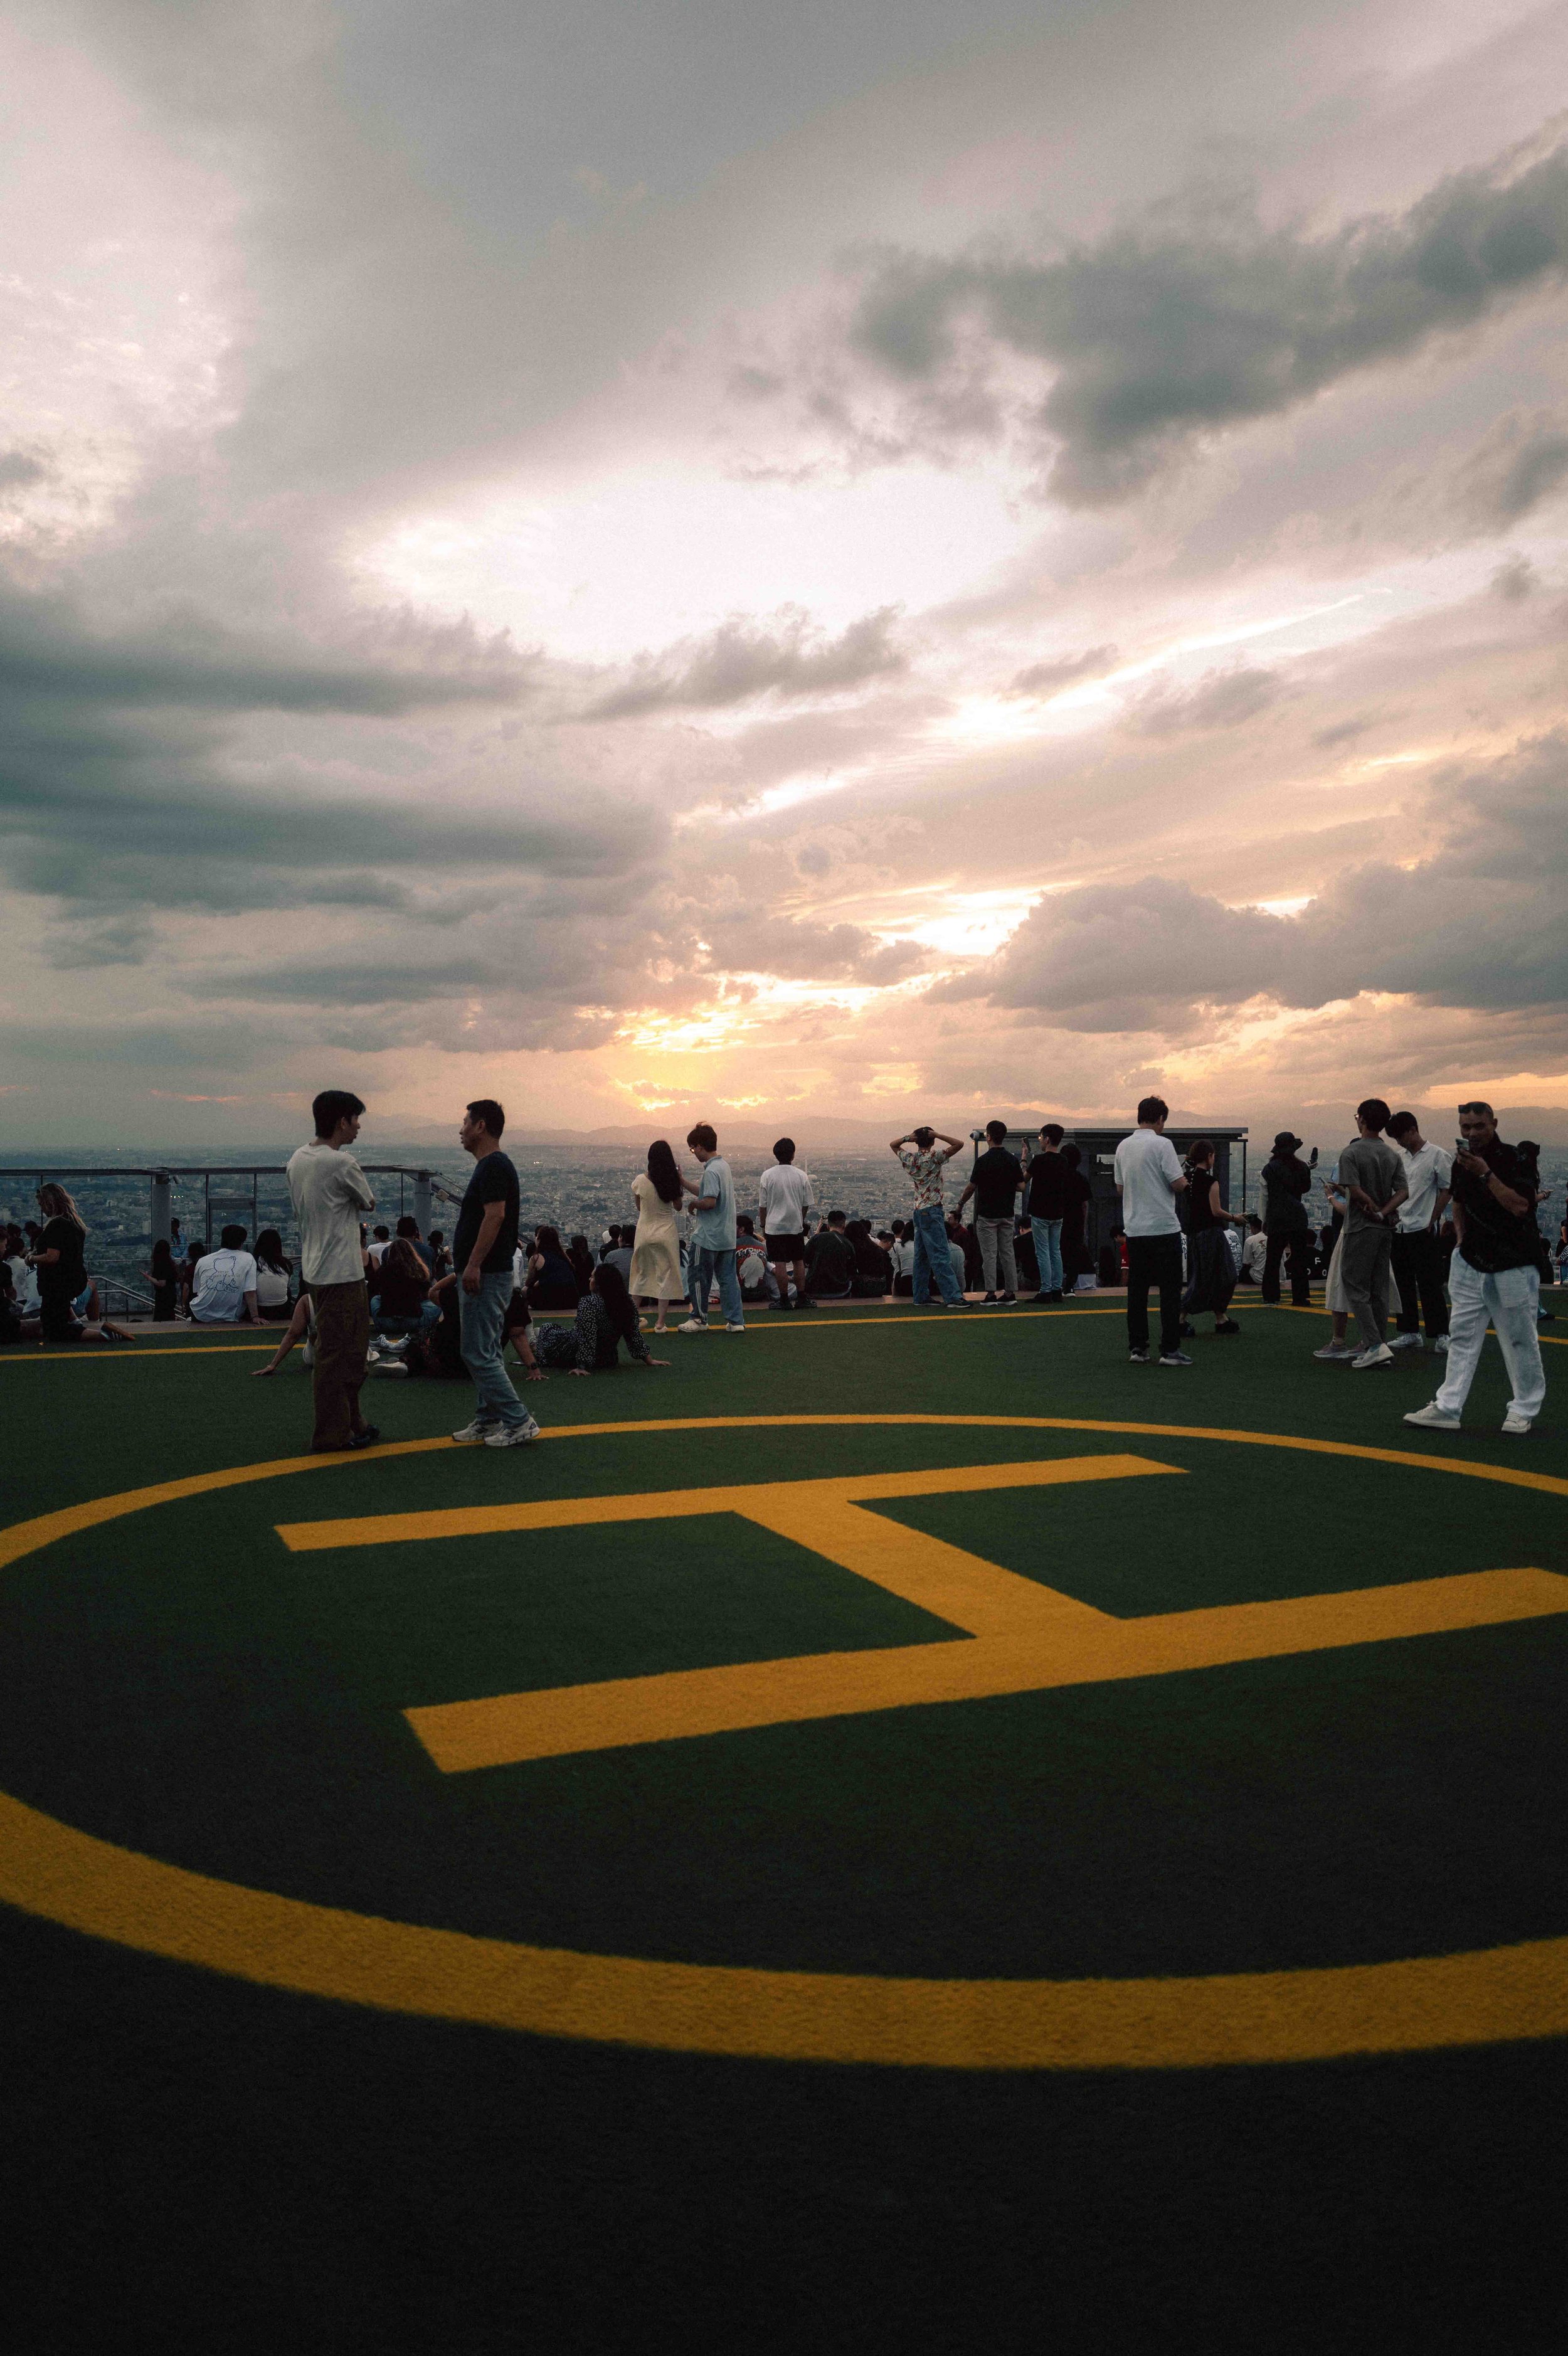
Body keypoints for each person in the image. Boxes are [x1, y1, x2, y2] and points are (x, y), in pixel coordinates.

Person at [1406, 1102, 1546, 1436]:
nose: (1472, 1133)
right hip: (1470, 1261)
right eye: (1466, 1127)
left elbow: (1521, 1206)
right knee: (1462, 1336)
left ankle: (1523, 1409)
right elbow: (1458, 1200)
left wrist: (1485, 1173)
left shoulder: (1515, 1158)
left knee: (1519, 1338)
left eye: (1479, 1126)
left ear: (1494, 1123)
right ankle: (1448, 1406)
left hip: (1513, 1263)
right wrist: (1460, 1239)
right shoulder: (1461, 1160)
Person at [285, 1090, 380, 1453]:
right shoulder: (341, 1163)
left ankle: (354, 1422)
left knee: (341, 1351)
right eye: (356, 1120)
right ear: (342, 1122)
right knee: (342, 1356)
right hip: (342, 1271)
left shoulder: (297, 1159)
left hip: (314, 1269)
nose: (358, 1127)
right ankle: (331, 1434)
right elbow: (369, 1202)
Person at [448, 1098, 540, 1446]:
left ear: (481, 1126)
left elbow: (495, 1215)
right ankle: (488, 1419)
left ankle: (519, 1421)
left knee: (477, 1352)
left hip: (486, 1274)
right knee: (486, 1349)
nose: (461, 1130)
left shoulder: (493, 1166)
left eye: (465, 1122)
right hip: (491, 1272)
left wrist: (473, 1264)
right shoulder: (492, 1166)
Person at [1113, 1095, 1190, 1366]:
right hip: (1163, 1228)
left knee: (1137, 1292)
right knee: (1169, 1292)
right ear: (1160, 1119)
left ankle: (1138, 1348)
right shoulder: (1163, 1144)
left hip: (1135, 1229)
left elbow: (1120, 1189)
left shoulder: (1123, 1147)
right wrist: (1186, 1180)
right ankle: (1170, 1350)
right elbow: (1177, 1184)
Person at [1336, 1099, 1407, 1371]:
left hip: (1360, 1227)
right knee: (1379, 1289)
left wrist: (1373, 1209)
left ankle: (1375, 1345)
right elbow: (1403, 1191)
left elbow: (1354, 1189)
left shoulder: (1351, 1153)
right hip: (1384, 1229)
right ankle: (1378, 1345)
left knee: (1355, 1285)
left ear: (1363, 1120)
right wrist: (1384, 1211)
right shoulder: (1392, 1154)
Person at [28, 1184, 133, 1345]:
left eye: (41, 1204)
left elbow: (52, 1257)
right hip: (72, 1279)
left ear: (50, 1202)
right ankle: (79, 1324)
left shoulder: (57, 1224)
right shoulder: (74, 1223)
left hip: (57, 1283)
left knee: (55, 1330)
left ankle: (104, 1335)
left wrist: (31, 1259)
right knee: (53, 1319)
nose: (41, 1209)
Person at [1385, 1112, 1451, 1356]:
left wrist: (1432, 1219)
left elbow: (1447, 1190)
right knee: (1403, 1283)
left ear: (1413, 1130)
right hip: (1400, 1227)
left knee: (1430, 1284)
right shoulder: (1399, 1158)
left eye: (1400, 1136)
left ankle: (1442, 1334)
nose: (1399, 1142)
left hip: (1423, 1228)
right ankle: (1410, 1332)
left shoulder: (1437, 1156)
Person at [532, 1262, 670, 1374]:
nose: (589, 1279)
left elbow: (588, 1336)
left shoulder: (589, 1303)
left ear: (599, 1284)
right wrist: (649, 1360)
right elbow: (633, 1335)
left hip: (571, 1352)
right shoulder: (626, 1304)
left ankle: (535, 1339)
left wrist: (582, 1365)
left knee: (547, 1328)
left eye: (592, 1277)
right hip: (607, 1359)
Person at [890, 1126, 967, 1308]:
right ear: (932, 1141)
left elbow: (893, 1145)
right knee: (940, 1255)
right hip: (932, 1210)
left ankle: (921, 1296)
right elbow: (959, 1144)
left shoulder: (911, 1158)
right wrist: (938, 1135)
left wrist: (908, 1138)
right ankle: (952, 1297)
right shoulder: (935, 1157)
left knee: (921, 1258)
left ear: (916, 1141)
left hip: (918, 1211)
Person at [679, 1123, 744, 1333]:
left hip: (708, 1236)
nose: (694, 1153)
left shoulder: (711, 1171)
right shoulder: (723, 1167)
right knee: (728, 1280)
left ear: (700, 1146)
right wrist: (683, 1182)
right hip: (727, 1235)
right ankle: (736, 1321)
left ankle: (699, 1318)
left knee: (698, 1277)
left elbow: (709, 1201)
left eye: (693, 1149)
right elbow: (706, 1191)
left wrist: (693, 1205)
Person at [1179, 1140, 1244, 1336]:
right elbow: (1216, 1211)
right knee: (1225, 1275)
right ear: (1209, 1156)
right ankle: (1181, 1316)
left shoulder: (1186, 1179)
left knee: (1203, 1276)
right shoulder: (1211, 1181)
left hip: (1194, 1235)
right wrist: (1235, 1218)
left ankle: (1219, 1317)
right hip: (1211, 1234)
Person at [957, 1120, 1024, 1303]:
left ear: (988, 1137)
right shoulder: (1012, 1160)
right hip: (1007, 1214)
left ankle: (991, 1293)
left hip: (987, 1215)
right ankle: (1010, 1293)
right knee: (1007, 1254)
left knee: (989, 1255)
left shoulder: (983, 1161)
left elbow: (971, 1187)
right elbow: (1021, 1186)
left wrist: (961, 1204)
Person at [629, 1141, 686, 1332]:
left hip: (644, 1232)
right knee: (666, 1276)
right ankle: (660, 1323)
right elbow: (678, 1207)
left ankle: (632, 1319)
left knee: (641, 1275)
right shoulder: (672, 1181)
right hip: (666, 1232)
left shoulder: (640, 1180)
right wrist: (679, 1180)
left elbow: (640, 1207)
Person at [758, 1137, 815, 1313]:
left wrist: (763, 1225)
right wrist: (800, 1218)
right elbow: (806, 1203)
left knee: (780, 1262)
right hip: (795, 1225)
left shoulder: (767, 1175)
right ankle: (802, 1297)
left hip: (774, 1227)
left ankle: (784, 1300)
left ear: (776, 1155)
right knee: (798, 1261)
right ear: (793, 1155)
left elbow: (763, 1206)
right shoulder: (801, 1175)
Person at [1260, 1132, 1315, 1306]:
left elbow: (1265, 1196)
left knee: (1273, 1258)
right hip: (1297, 1216)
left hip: (1276, 1217)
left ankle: (1271, 1296)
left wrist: (1264, 1220)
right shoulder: (1302, 1167)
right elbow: (1306, 1188)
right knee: (1299, 1257)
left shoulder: (1269, 1169)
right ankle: (1300, 1297)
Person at [1021, 1123, 1068, 1302]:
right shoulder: (1064, 1161)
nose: (1040, 1141)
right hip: (1058, 1213)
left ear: (1047, 1139)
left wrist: (1024, 1159)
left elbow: (1023, 1180)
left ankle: (1046, 1290)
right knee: (1055, 1251)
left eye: (1041, 1138)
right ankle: (1057, 1289)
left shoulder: (1039, 1161)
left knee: (1042, 1252)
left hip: (1041, 1212)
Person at [189, 1224, 261, 1325]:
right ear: (242, 1242)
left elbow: (197, 1291)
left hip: (200, 1313)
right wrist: (255, 1316)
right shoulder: (248, 1258)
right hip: (232, 1315)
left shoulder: (203, 1261)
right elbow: (250, 1291)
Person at [1057, 1145, 1093, 1292]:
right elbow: (1085, 1205)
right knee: (1074, 1253)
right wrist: (1084, 1225)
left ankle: (1056, 1283)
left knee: (1057, 1251)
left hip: (1058, 1219)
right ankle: (1070, 1286)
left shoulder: (1057, 1178)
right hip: (1076, 1220)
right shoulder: (1081, 1179)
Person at [526, 1224, 581, 1311]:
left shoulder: (536, 1259)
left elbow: (529, 1282)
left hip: (547, 1301)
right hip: (570, 1300)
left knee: (525, 1290)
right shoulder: (564, 1257)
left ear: (540, 1240)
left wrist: (539, 1283)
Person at [805, 1211, 856, 1299]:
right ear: (844, 1225)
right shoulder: (848, 1243)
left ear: (828, 1226)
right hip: (841, 1290)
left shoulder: (817, 1238)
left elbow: (805, 1260)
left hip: (814, 1289)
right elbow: (852, 1270)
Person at [251, 1228, 294, 1319]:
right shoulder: (286, 1264)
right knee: (288, 1290)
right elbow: (287, 1285)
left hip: (260, 1309)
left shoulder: (254, 1262)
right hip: (282, 1309)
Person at [143, 1236, 180, 1322]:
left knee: (161, 1319)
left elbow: (161, 1283)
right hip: (171, 1295)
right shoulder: (170, 1263)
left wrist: (148, 1277)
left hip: (163, 1297)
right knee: (169, 1317)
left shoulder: (161, 1264)